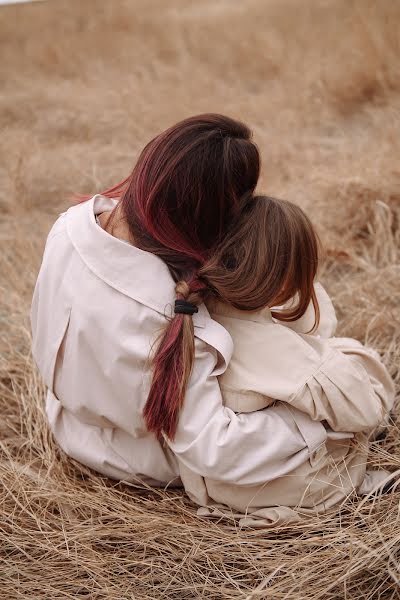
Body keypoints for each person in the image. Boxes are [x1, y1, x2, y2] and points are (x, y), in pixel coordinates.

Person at [30, 114, 395, 527]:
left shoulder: (72, 225)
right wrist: (315, 430)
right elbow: (214, 448)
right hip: (143, 455)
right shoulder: (176, 317)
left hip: (68, 419)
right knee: (306, 394)